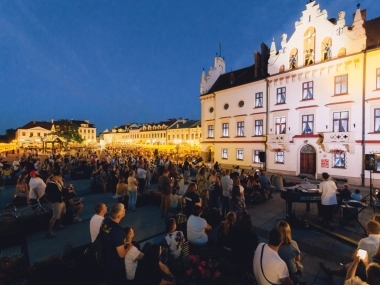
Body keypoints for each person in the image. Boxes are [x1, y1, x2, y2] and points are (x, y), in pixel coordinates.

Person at [100, 203, 129, 285]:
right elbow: (121, 254)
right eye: (123, 210)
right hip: (115, 266)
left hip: (105, 261)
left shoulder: (105, 221)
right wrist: (128, 246)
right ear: (119, 215)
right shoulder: (117, 231)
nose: (125, 210)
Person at [45, 171, 66, 238]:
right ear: (56, 176)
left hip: (61, 200)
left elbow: (61, 190)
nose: (61, 178)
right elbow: (54, 193)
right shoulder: (51, 184)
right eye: (60, 176)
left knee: (62, 212)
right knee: (55, 216)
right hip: (56, 201)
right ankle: (49, 231)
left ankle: (58, 224)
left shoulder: (58, 182)